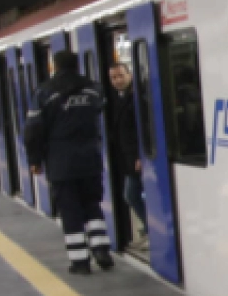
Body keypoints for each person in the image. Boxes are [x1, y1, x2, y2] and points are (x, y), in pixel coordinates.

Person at [25, 51, 111, 274]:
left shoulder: (44, 91)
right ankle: (101, 250)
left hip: (60, 159)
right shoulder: (94, 88)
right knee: (92, 203)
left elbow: (34, 129)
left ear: (55, 66)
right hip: (90, 156)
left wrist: (34, 159)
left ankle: (80, 261)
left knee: (70, 210)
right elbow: (99, 110)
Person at [108, 62, 147, 243]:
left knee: (131, 194)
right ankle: (149, 228)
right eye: (114, 78)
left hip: (139, 157)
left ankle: (150, 229)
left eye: (121, 76)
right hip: (128, 158)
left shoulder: (138, 97)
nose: (118, 80)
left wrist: (141, 154)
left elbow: (145, 127)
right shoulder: (119, 98)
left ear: (130, 75)